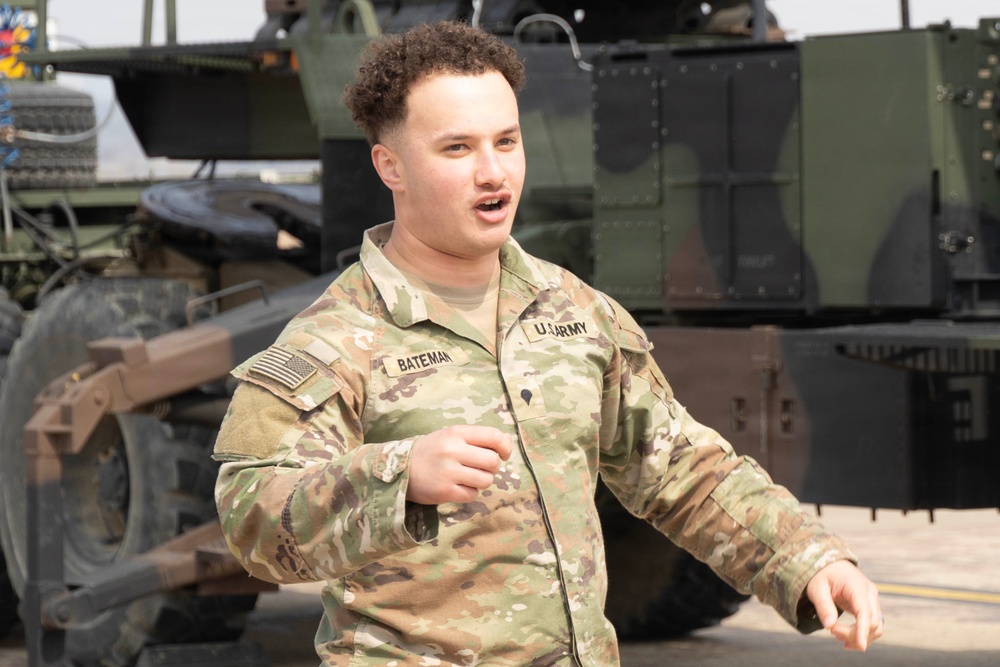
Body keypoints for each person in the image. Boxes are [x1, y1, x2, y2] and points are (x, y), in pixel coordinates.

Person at [213, 20, 883, 666]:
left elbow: (682, 470)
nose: (492, 172)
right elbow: (252, 520)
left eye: (506, 141)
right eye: (457, 149)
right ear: (390, 166)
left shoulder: (575, 311)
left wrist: (808, 558)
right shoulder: (333, 338)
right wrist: (397, 477)